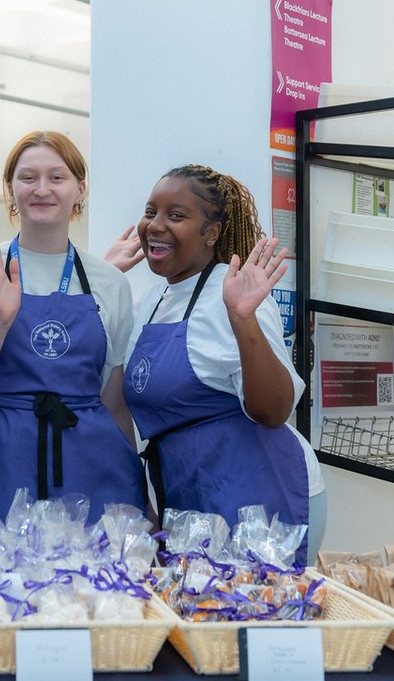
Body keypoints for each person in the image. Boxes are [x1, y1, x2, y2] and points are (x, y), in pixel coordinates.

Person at [122, 165, 326, 565]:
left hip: (260, 492)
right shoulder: (151, 303)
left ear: (211, 232)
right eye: (151, 212)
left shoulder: (233, 294)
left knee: (259, 621)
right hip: (187, 492)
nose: (156, 226)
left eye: (176, 216)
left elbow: (273, 410)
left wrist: (243, 318)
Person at [0, 131, 144, 523]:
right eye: (28, 177)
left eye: (57, 177)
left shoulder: (109, 283)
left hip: (90, 466)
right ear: (10, 189)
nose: (42, 189)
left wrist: (138, 498)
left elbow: (115, 404)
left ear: (80, 189)